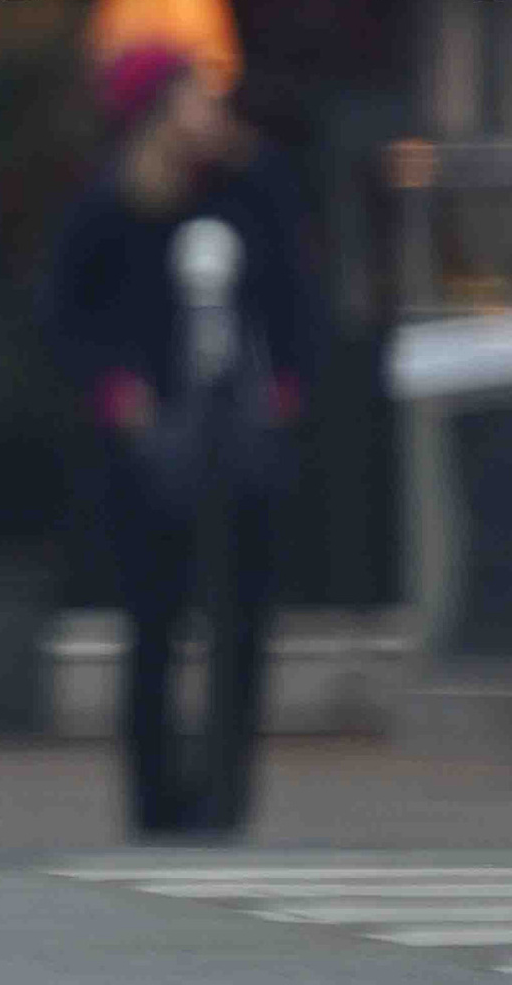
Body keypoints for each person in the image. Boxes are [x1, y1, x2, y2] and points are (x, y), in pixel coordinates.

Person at [40, 42, 315, 839]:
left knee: (244, 621)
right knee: (154, 622)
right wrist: (118, 397)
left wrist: (285, 393)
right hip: (150, 447)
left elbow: (298, 299)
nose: (211, 114)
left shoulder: (256, 186)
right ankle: (157, 801)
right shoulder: (112, 207)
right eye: (194, 98)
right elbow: (67, 316)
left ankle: (228, 796)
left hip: (245, 437)